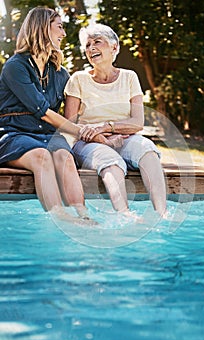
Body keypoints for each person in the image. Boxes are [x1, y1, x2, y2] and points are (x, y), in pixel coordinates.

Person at [0, 7, 95, 223]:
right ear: (43, 28)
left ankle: (85, 217)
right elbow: (43, 112)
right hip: (15, 133)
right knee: (42, 157)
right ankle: (60, 218)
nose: (63, 34)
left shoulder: (60, 73)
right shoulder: (16, 66)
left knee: (65, 158)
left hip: (48, 136)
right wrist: (84, 133)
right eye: (59, 27)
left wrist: (102, 129)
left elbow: (73, 115)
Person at [64, 23, 167, 217]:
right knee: (110, 160)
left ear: (114, 47)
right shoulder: (78, 79)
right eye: (87, 45)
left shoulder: (129, 77)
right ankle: (125, 215)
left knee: (148, 149)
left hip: (125, 138)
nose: (91, 48)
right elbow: (70, 125)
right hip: (88, 142)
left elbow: (137, 122)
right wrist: (100, 137)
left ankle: (161, 213)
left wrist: (106, 127)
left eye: (97, 42)